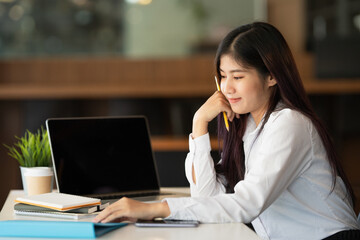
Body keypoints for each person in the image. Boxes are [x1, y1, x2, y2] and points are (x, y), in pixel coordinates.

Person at [93, 22, 360, 239]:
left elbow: (245, 205)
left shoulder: (289, 123)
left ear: (271, 76)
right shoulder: (248, 127)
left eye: (238, 76)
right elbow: (206, 198)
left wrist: (152, 209)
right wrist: (199, 124)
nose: (227, 88)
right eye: (222, 76)